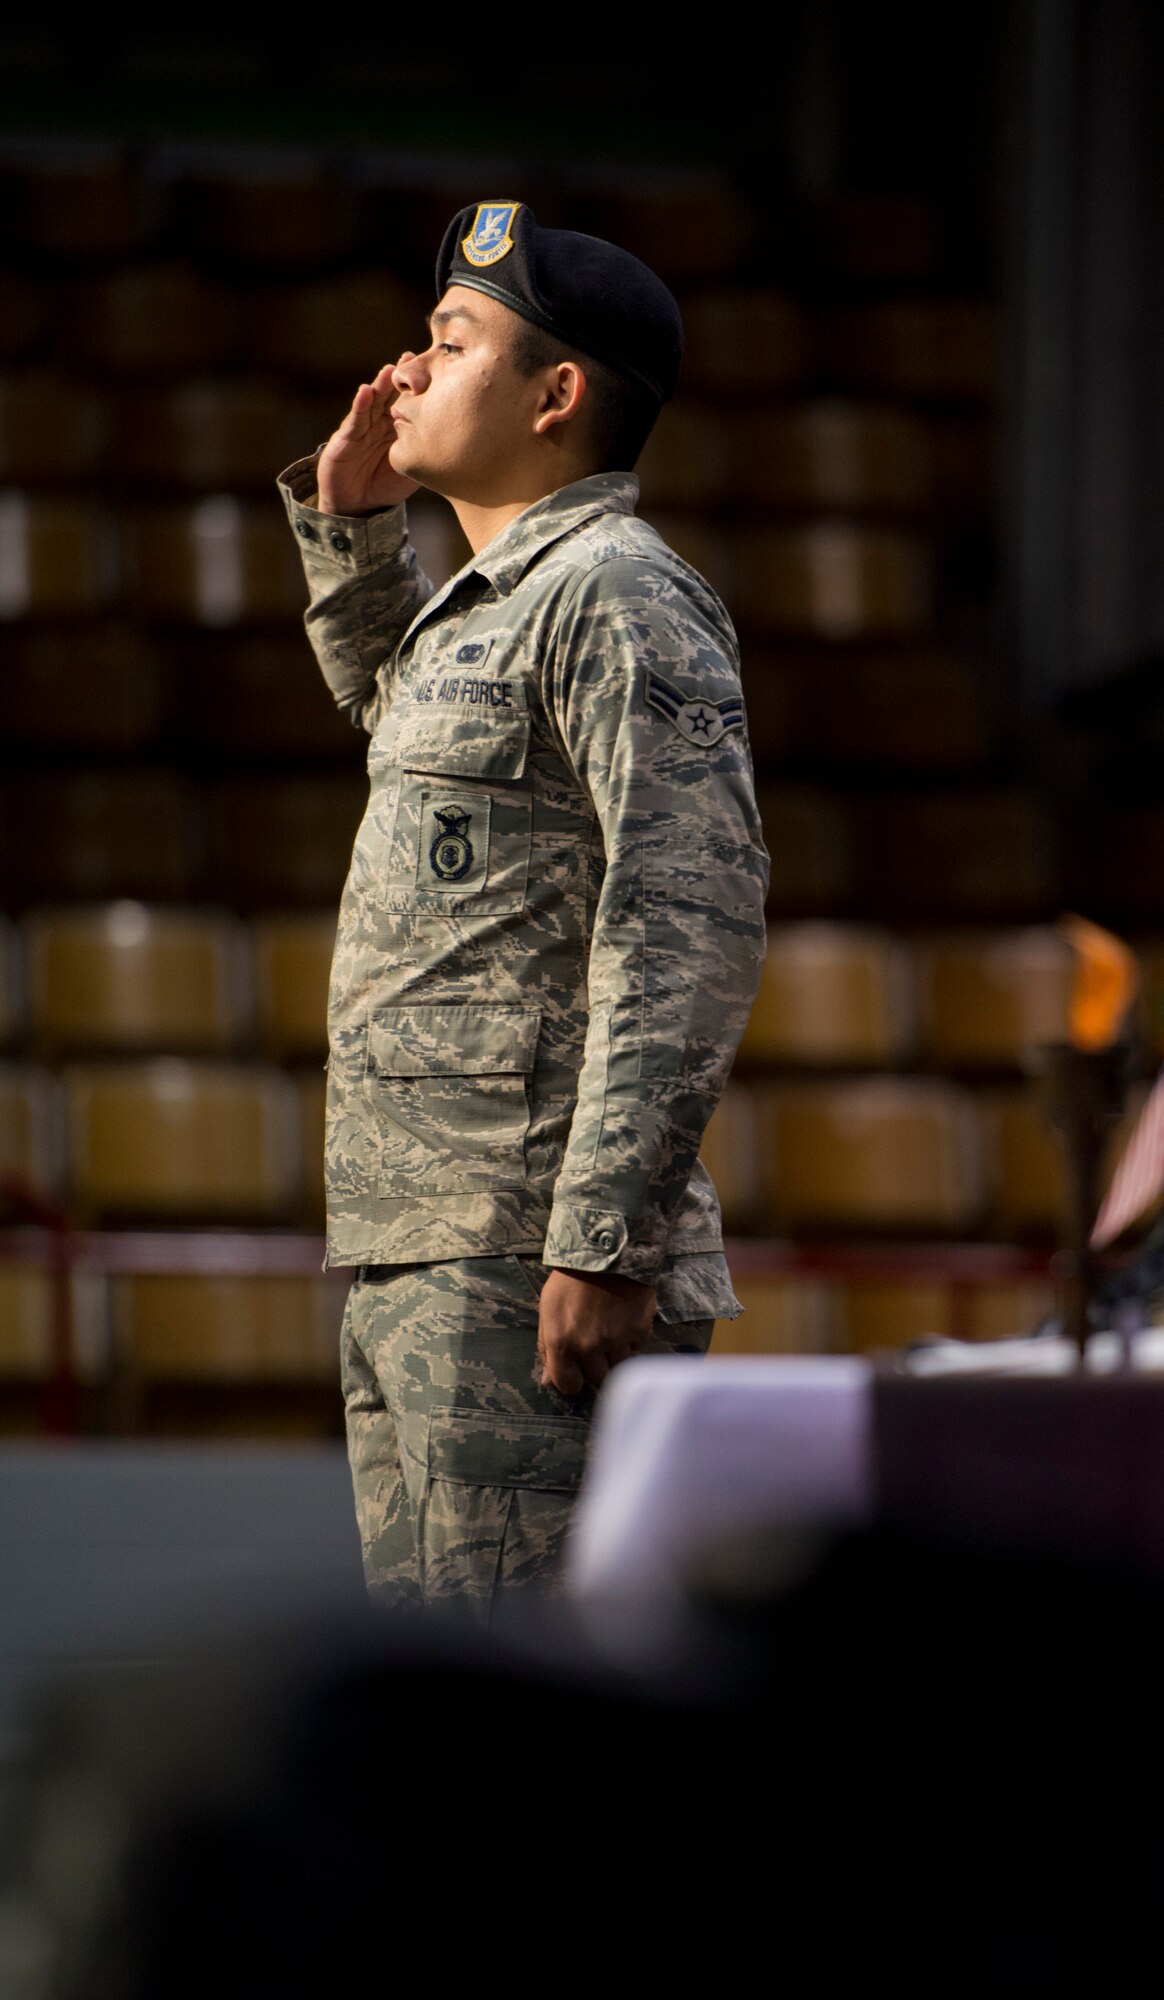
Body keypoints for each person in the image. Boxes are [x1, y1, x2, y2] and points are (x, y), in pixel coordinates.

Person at [278, 200, 768, 1617]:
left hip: (525, 1243)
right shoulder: (490, 600)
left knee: (515, 1751)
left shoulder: (617, 590)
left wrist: (605, 1239)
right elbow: (399, 734)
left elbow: (689, 915)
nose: (408, 371)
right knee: (448, 1717)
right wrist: (354, 533)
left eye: (450, 340)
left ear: (556, 396)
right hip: (426, 1234)